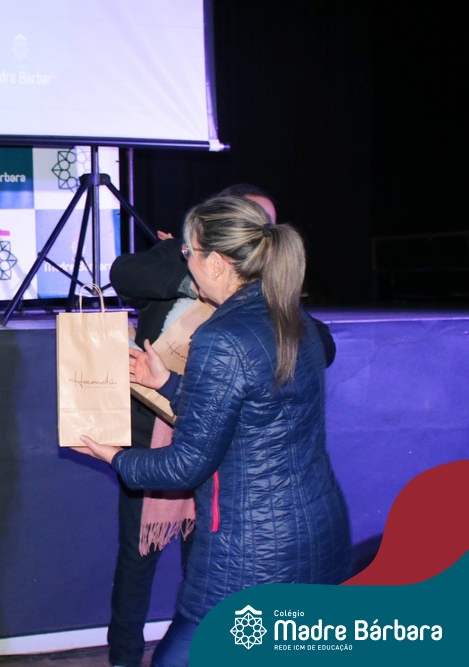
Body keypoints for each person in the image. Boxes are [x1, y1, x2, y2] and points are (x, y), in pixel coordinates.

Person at [86, 196, 351, 667]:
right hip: (316, 531)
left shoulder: (220, 336)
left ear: (214, 262)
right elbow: (253, 409)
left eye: (187, 252)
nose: (185, 261)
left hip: (250, 553)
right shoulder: (291, 317)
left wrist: (113, 456)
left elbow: (184, 465)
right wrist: (167, 383)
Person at [105, 184, 289, 667]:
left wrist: (116, 459)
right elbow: (124, 273)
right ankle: (124, 658)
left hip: (221, 454)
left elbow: (319, 344)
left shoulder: (264, 308)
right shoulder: (187, 255)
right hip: (152, 426)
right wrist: (198, 283)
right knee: (136, 560)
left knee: (202, 561)